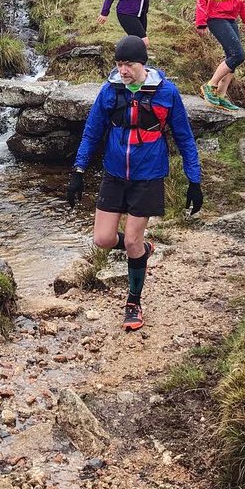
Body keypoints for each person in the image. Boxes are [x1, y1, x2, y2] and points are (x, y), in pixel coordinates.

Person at [66, 36, 204, 331]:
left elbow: (185, 138)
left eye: (128, 64)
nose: (123, 70)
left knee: (130, 240)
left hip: (148, 175)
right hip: (114, 173)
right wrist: (78, 171)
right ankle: (142, 249)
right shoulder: (110, 91)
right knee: (102, 239)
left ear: (142, 63)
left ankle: (133, 301)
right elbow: (91, 132)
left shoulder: (167, 93)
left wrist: (194, 180)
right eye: (119, 64)